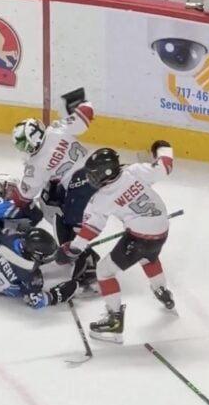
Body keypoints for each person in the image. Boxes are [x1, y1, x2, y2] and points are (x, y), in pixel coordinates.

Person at [55, 141, 176, 342]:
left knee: (104, 271)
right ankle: (161, 288)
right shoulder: (135, 171)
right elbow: (165, 166)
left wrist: (72, 248)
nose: (91, 178)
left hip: (139, 238)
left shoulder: (102, 198)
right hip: (162, 229)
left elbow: (91, 229)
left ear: (107, 172)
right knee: (149, 256)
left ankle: (114, 319)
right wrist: (163, 147)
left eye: (95, 174)